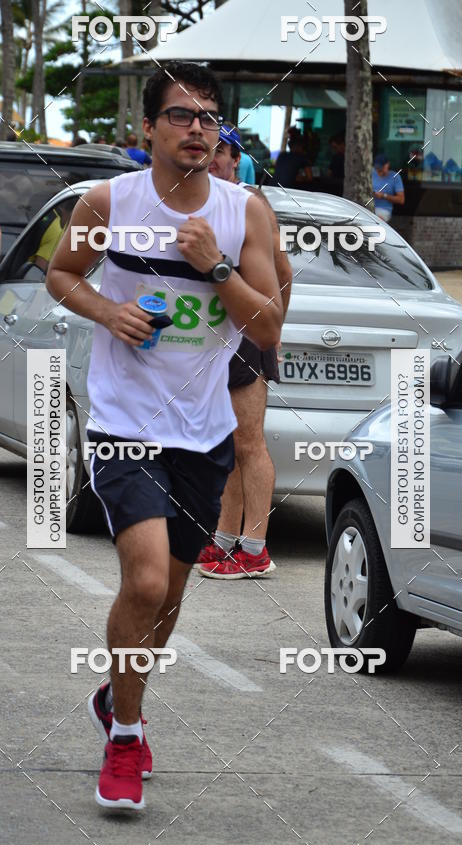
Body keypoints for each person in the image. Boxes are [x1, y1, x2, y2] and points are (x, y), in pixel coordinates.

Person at [46, 61, 282, 811]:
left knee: (171, 596)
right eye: (181, 115)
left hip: (203, 433)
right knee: (145, 581)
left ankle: (118, 697)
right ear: (147, 128)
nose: (197, 129)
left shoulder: (245, 213)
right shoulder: (108, 201)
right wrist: (108, 311)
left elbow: (268, 326)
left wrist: (214, 266)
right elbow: (61, 274)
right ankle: (124, 737)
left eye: (209, 117)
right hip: (124, 422)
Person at [199, 123, 292, 577]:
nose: (214, 158)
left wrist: (273, 330)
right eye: (209, 150)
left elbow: (283, 270)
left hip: (247, 337)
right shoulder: (199, 201)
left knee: (249, 442)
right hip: (208, 338)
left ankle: (255, 548)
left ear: (236, 160)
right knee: (227, 441)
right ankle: (223, 540)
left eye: (223, 151)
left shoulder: (250, 203)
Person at [372, 153, 405, 222]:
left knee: (375, 221)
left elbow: (401, 200)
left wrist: (383, 196)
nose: (379, 171)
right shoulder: (371, 173)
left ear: (387, 165)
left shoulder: (395, 177)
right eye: (377, 168)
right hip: (368, 207)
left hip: (383, 209)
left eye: (381, 168)